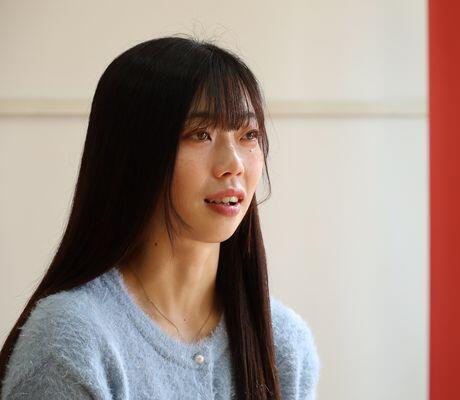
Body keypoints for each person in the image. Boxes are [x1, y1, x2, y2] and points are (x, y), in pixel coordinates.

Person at [0, 36, 320, 400]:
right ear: (135, 153)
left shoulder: (283, 343)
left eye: (249, 135)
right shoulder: (72, 341)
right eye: (201, 134)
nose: (234, 164)